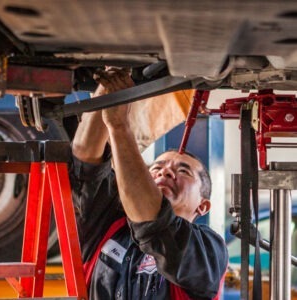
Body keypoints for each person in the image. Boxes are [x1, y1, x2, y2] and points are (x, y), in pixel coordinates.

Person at [70, 67, 228, 299]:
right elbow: (85, 159)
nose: (165, 173)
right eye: (155, 168)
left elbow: (154, 223)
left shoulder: (208, 249)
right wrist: (111, 84)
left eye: (183, 170)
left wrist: (119, 126)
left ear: (202, 206)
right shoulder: (108, 224)